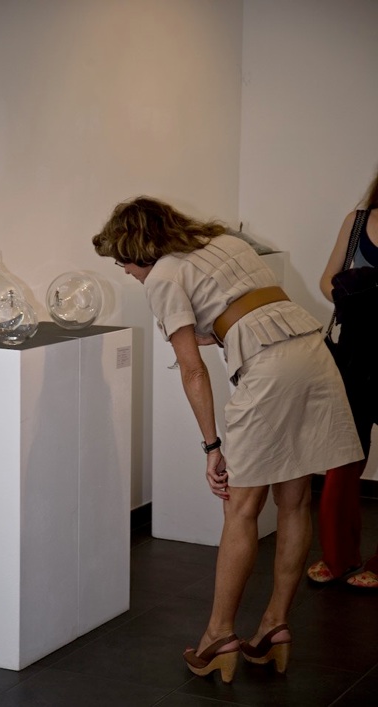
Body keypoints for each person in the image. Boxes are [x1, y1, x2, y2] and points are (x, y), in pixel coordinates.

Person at [93, 196, 363, 683]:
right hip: (312, 353)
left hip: (270, 369)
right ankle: (274, 625)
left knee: (241, 507)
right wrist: (210, 332)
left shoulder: (162, 277)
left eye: (122, 262)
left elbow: (193, 371)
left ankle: (218, 636)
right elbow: (244, 311)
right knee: (295, 500)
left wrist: (211, 446)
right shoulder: (222, 242)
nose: (127, 272)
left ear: (136, 247)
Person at [307, 169, 378, 590]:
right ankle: (338, 556)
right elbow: (326, 279)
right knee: (344, 456)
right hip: (354, 354)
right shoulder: (357, 221)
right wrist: (350, 295)